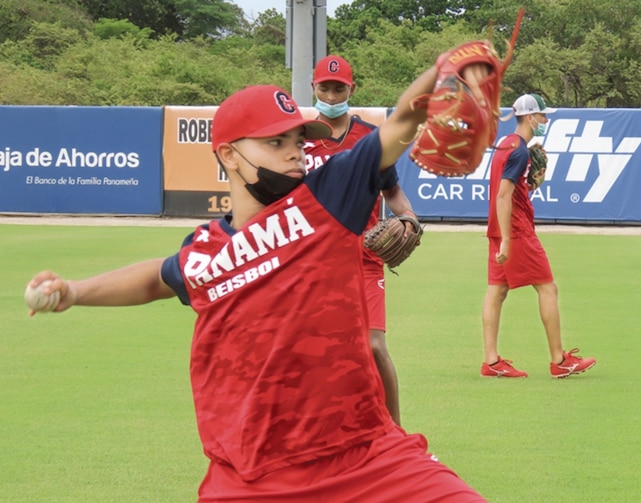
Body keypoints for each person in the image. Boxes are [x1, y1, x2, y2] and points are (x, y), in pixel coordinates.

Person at [26, 48, 492, 501]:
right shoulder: (205, 251)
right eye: (275, 143)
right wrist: (73, 292)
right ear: (229, 156)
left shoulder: (326, 199)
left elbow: (402, 123)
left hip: (364, 458)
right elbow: (158, 278)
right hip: (251, 478)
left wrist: (441, 71)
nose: (295, 154)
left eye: (297, 142)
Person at [305, 54, 414, 425]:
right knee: (315, 353)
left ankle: (396, 433)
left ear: (353, 89)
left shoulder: (369, 139)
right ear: (313, 88)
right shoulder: (297, 137)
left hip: (363, 257)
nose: (333, 96)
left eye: (340, 88)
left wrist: (410, 219)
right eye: (326, 88)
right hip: (313, 262)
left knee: (373, 344)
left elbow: (393, 193)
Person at [481, 93, 596, 379]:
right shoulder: (519, 150)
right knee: (548, 288)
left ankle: (491, 362)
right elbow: (503, 195)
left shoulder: (506, 145)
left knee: (497, 291)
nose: (545, 120)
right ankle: (559, 360)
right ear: (530, 117)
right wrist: (508, 239)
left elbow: (511, 190)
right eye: (542, 116)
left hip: (498, 227)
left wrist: (535, 180)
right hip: (515, 230)